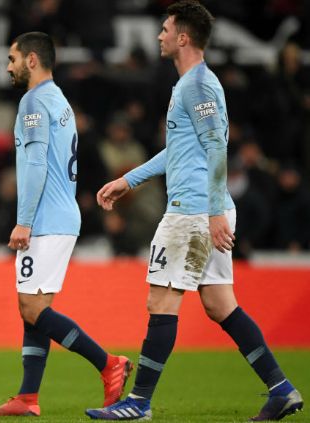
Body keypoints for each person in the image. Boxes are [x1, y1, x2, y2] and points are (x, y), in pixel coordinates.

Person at [86, 2, 304, 421]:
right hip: (206, 208)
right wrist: (128, 179)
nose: (159, 36)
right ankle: (281, 390)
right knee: (221, 305)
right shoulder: (192, 84)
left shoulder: (198, 85)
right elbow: (181, 150)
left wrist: (215, 209)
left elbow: (217, 146)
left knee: (161, 300)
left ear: (183, 37)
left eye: (165, 29)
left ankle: (140, 402)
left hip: (194, 211)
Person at [0, 32, 132, 418]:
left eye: (13, 58)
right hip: (61, 213)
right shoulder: (59, 99)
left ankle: (108, 363)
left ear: (32, 60)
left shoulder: (33, 102)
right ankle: (28, 397)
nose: (9, 66)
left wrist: (23, 221)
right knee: (34, 307)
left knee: (32, 307)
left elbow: (35, 165)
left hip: (45, 218)